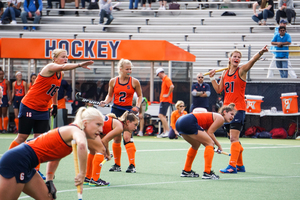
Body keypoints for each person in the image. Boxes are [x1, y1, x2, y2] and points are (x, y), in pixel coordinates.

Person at [8, 49, 93, 178]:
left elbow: (54, 90)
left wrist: (54, 104)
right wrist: (79, 64)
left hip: (43, 109)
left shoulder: (61, 74)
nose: (65, 59)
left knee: (38, 140)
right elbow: (64, 66)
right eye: (63, 57)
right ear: (54, 58)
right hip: (29, 106)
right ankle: (8, 162)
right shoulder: (49, 67)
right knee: (22, 137)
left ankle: (34, 169)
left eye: (67, 57)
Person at [0, 106, 104, 200]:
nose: (101, 130)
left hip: (27, 164)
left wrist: (49, 180)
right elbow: (82, 145)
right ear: (85, 123)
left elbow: (56, 157)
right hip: (17, 161)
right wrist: (82, 174)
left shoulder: (71, 133)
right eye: (98, 124)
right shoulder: (76, 131)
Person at [209, 45, 269, 173]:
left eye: (239, 57)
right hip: (226, 110)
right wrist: (212, 78)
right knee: (232, 137)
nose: (237, 58)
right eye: (234, 56)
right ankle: (240, 165)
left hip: (237, 109)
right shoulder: (225, 73)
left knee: (233, 139)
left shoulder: (241, 71)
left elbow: (252, 61)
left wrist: (261, 52)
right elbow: (219, 90)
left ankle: (232, 166)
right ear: (230, 58)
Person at [100, 58, 143, 173]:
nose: (129, 71)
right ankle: (117, 165)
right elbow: (109, 96)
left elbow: (140, 96)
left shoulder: (134, 82)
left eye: (130, 69)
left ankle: (132, 165)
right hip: (116, 110)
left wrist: (137, 107)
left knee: (127, 137)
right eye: (127, 69)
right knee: (117, 138)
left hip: (128, 111)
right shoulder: (113, 81)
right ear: (121, 69)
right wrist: (105, 102)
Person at [177, 104, 236, 179]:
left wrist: (210, 147)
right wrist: (218, 146)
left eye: (234, 115)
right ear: (224, 112)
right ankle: (207, 173)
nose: (232, 117)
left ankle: (186, 170)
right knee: (210, 143)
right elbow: (210, 133)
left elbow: (205, 134)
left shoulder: (213, 118)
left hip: (180, 122)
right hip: (189, 121)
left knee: (196, 145)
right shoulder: (220, 118)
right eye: (231, 114)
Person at [84, 111, 139, 186]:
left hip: (87, 126)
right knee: (100, 150)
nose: (135, 128)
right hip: (89, 127)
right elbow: (104, 141)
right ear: (128, 122)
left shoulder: (116, 123)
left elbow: (102, 139)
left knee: (93, 151)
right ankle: (95, 179)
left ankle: (87, 177)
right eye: (135, 125)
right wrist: (107, 154)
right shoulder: (119, 127)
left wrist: (106, 152)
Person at [156, 67, 174, 138]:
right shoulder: (165, 80)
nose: (158, 76)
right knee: (162, 116)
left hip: (165, 100)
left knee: (161, 115)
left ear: (160, 73)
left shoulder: (166, 79)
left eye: (158, 75)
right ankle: (165, 132)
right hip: (164, 100)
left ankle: (167, 131)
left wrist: (168, 94)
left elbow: (172, 86)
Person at [0, 68, 12, 133]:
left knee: (4, 113)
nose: (1, 75)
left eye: (2, 74)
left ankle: (5, 128)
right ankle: (0, 128)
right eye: (0, 74)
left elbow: (9, 91)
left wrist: (10, 99)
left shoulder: (6, 81)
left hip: (4, 97)